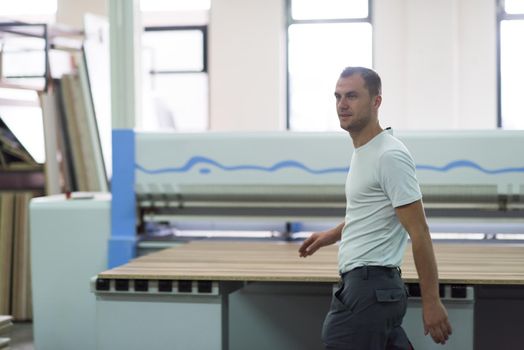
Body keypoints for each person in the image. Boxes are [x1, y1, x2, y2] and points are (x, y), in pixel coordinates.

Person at [298, 67, 452, 349]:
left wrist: (432, 301)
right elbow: (375, 212)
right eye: (338, 96)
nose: (342, 105)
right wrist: (331, 235)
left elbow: (419, 230)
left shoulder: (388, 155)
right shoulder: (366, 152)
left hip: (368, 291)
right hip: (372, 291)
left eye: (352, 96)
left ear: (376, 102)